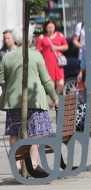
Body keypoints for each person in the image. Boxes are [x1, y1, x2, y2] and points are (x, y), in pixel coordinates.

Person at [1, 30, 58, 178]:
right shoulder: (36, 55)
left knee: (14, 132)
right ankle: (33, 164)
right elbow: (46, 79)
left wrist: (10, 88)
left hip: (13, 102)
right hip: (34, 100)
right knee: (34, 134)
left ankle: (18, 164)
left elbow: (1, 80)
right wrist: (54, 96)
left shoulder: (7, 57)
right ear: (30, 40)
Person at [36, 19, 68, 96]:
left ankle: (55, 98)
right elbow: (37, 50)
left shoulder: (59, 35)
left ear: (55, 27)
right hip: (47, 63)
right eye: (49, 27)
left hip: (58, 63)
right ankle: (54, 101)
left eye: (52, 27)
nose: (50, 29)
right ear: (45, 28)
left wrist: (57, 48)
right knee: (51, 85)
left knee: (60, 83)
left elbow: (66, 46)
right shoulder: (41, 37)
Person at [73, 21, 86, 89]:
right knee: (83, 80)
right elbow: (75, 40)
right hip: (82, 56)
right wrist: (84, 47)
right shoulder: (80, 25)